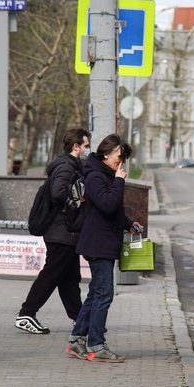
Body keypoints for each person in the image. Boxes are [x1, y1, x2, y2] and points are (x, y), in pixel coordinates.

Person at [67, 134, 142, 363]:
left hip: (104, 242)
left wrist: (129, 223)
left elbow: (113, 211)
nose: (122, 163)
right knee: (104, 294)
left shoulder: (105, 174)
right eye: (120, 157)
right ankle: (96, 345)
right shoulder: (95, 176)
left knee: (96, 293)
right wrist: (119, 181)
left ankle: (77, 340)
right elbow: (108, 204)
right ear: (106, 154)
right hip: (98, 244)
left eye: (124, 159)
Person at [14, 128, 91, 335]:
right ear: (76, 146)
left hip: (65, 232)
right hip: (61, 232)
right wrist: (78, 203)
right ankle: (26, 313)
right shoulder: (66, 167)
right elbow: (59, 193)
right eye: (85, 145)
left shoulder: (70, 165)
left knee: (69, 277)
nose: (87, 150)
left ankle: (79, 318)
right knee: (51, 274)